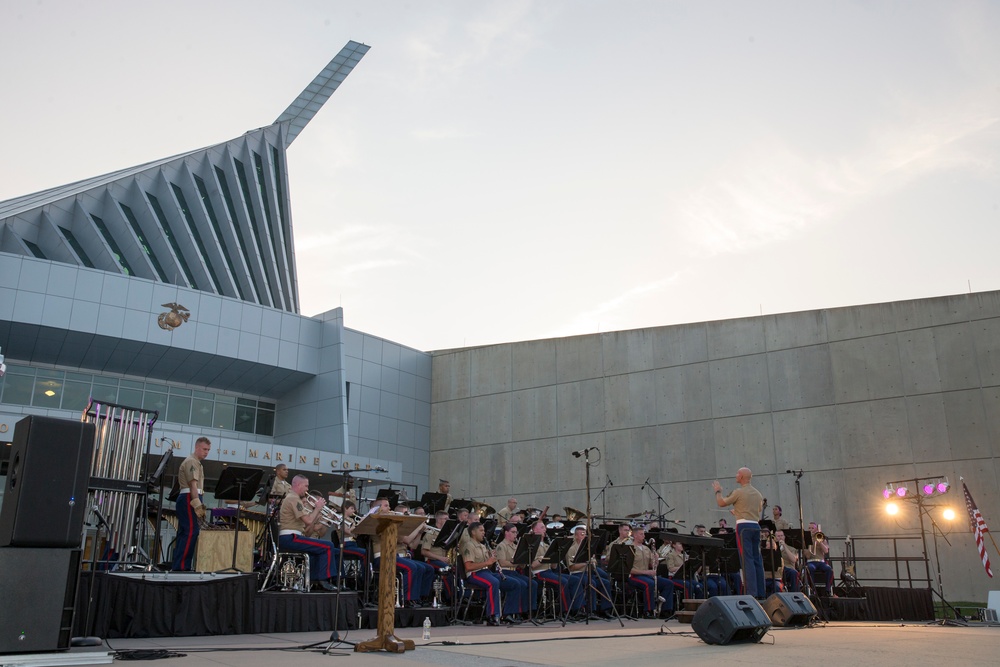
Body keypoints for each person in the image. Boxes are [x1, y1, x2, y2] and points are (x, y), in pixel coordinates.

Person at [278, 474, 339, 591]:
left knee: (322, 550)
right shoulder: (293, 498)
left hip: (293, 536)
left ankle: (315, 579)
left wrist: (318, 515)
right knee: (328, 546)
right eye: (306, 486)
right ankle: (323, 580)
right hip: (290, 537)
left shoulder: (293, 498)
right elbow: (309, 520)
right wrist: (317, 508)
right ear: (298, 485)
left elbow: (308, 525)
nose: (307, 489)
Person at [712, 467, 765, 599]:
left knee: (746, 559)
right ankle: (761, 592)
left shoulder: (739, 492)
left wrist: (718, 491)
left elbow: (721, 502)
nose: (736, 475)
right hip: (755, 526)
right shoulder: (758, 494)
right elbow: (756, 511)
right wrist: (738, 511)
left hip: (743, 527)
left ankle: (751, 593)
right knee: (757, 559)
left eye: (737, 473)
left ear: (741, 477)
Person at [369, 498, 434, 605]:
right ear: (378, 508)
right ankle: (407, 599)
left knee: (423, 568)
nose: (389, 508)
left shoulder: (392, 522)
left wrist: (419, 532)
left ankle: (420, 598)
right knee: (411, 568)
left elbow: (412, 545)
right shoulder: (379, 522)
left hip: (392, 556)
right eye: (386, 506)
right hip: (382, 556)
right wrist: (418, 527)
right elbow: (405, 540)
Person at [462, 521, 521, 625]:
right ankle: (493, 615)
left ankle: (508, 613)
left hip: (486, 572)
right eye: (481, 530)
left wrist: (491, 559)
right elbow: (468, 566)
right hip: (474, 573)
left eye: (484, 531)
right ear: (473, 532)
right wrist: (487, 562)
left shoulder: (483, 546)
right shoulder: (469, 545)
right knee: (493, 583)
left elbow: (488, 566)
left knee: (514, 583)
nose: (483, 533)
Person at [172, 437, 210, 571]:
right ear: (197, 447)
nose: (207, 452)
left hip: (189, 496)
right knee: (191, 532)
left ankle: (179, 566)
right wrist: (197, 505)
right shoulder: (192, 462)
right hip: (189, 496)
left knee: (185, 532)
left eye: (208, 450)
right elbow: (193, 486)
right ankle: (182, 567)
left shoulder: (196, 462)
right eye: (204, 449)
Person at [565, 524, 614, 617]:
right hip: (577, 574)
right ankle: (591, 610)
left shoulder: (589, 548)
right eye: (581, 534)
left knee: (605, 583)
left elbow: (593, 562)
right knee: (592, 583)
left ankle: (605, 609)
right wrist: (586, 563)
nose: (584, 536)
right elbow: (571, 567)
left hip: (588, 572)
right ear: (576, 536)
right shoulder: (572, 549)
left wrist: (593, 563)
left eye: (585, 534)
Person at [627, 527, 675, 618]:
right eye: (641, 534)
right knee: (649, 584)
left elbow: (651, 565)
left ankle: (665, 609)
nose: (644, 536)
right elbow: (629, 569)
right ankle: (648, 610)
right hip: (635, 576)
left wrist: (656, 559)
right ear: (635, 535)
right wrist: (647, 572)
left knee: (669, 583)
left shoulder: (646, 549)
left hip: (647, 575)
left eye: (644, 534)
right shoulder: (630, 548)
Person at [493, 524, 536, 616]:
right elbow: (502, 563)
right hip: (505, 572)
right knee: (520, 584)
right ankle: (511, 612)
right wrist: (516, 562)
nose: (515, 534)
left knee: (532, 583)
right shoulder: (502, 545)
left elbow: (522, 566)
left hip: (514, 571)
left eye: (516, 532)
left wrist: (525, 559)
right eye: (513, 532)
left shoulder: (516, 546)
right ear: (506, 533)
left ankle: (527, 610)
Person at [805, 522, 834, 594]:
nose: (811, 530)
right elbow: (807, 556)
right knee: (810, 568)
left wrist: (820, 542)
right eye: (809, 528)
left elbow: (826, 551)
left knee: (829, 569)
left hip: (821, 562)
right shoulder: (805, 540)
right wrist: (811, 544)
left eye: (812, 528)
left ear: (816, 530)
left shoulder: (822, 538)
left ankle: (827, 589)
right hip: (810, 561)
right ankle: (812, 589)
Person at [760, 527, 784, 595]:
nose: (770, 547)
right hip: (764, 580)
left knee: (776, 586)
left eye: (772, 545)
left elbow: (779, 572)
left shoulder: (778, 556)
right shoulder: (762, 556)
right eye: (768, 545)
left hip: (775, 579)